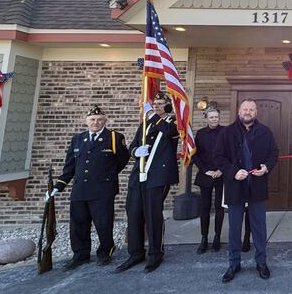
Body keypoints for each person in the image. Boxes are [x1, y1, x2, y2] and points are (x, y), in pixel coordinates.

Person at [49, 105, 129, 271]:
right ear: (86, 122)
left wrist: (108, 175)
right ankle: (80, 254)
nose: (96, 122)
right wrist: (58, 186)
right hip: (80, 188)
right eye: (92, 119)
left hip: (103, 189)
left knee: (103, 223)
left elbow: (122, 160)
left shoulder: (114, 137)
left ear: (105, 121)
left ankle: (105, 251)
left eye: (99, 119)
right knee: (78, 224)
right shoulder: (78, 139)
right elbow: (70, 166)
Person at [116, 92, 180, 273]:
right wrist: (136, 151)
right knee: (134, 213)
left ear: (167, 106)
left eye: (160, 104)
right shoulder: (144, 125)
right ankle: (135, 253)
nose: (157, 106)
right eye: (155, 104)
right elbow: (132, 146)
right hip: (139, 175)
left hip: (159, 175)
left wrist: (152, 115)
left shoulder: (173, 123)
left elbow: (171, 133)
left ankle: (155, 254)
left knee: (153, 215)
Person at [217, 98, 279, 283]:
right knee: (234, 228)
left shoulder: (265, 132)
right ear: (239, 111)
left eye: (251, 109)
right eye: (245, 109)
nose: (248, 112)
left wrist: (266, 168)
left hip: (257, 186)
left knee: (259, 227)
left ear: (256, 112)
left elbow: (273, 153)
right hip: (235, 187)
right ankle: (233, 264)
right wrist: (233, 172)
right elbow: (218, 157)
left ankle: (261, 262)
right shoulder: (227, 132)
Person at [192, 107, 225, 253]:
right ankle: (204, 238)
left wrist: (221, 170)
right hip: (205, 175)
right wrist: (206, 170)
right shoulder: (200, 134)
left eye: (216, 117)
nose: (214, 119)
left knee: (219, 208)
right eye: (211, 117)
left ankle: (217, 237)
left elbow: (231, 153)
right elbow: (195, 155)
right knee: (205, 208)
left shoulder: (226, 132)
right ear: (206, 119)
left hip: (221, 175)